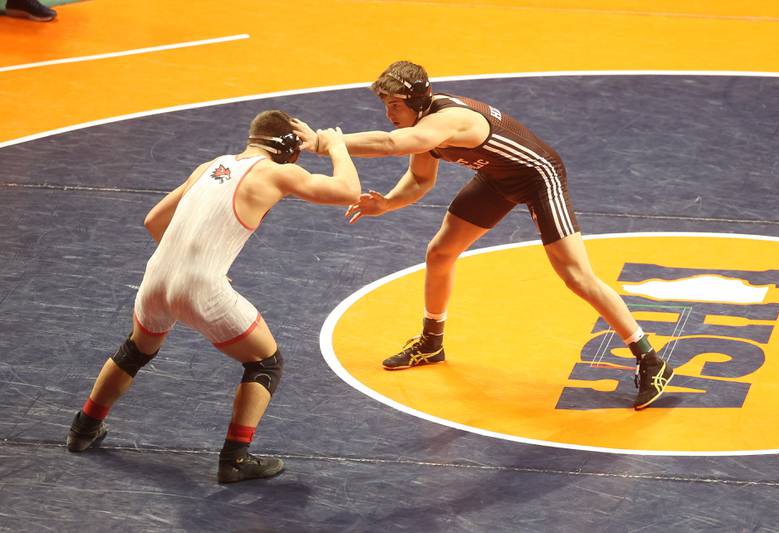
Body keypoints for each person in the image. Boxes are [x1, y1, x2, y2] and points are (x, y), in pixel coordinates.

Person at [294, 60, 674, 410]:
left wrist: (328, 144)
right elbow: (420, 179)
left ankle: (651, 359)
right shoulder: (422, 127)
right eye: (386, 105)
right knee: (440, 252)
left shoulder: (449, 121)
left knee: (575, 275)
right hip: (498, 178)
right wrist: (389, 203)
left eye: (394, 105)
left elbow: (391, 146)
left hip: (539, 178)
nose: (389, 114)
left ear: (417, 101)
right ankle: (431, 342)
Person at [66, 110, 361, 483]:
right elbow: (348, 191)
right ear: (287, 148)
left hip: (157, 277)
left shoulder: (210, 165)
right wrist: (336, 146)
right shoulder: (276, 172)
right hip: (202, 286)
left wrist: (185, 262)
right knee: (265, 362)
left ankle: (83, 429)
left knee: (136, 351)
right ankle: (235, 459)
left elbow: (154, 220)